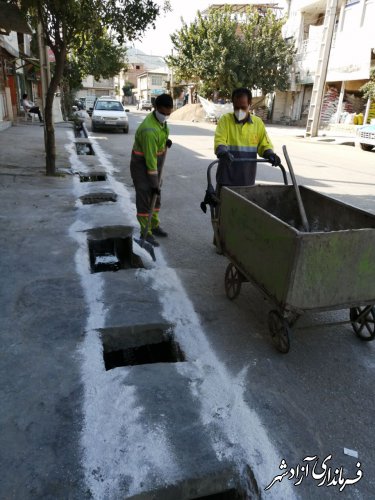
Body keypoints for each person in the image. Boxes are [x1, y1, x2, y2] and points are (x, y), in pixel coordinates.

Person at [130, 93, 173, 247]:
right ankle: (145, 232)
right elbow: (150, 161)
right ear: (156, 108)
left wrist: (165, 141)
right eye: (163, 113)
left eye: (169, 113)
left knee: (156, 198)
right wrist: (154, 183)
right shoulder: (149, 130)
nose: (166, 116)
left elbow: (161, 135)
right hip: (142, 166)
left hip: (155, 165)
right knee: (145, 198)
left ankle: (153, 226)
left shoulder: (160, 122)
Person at [214, 87, 281, 187]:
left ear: (250, 105)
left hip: (247, 179)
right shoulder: (225, 120)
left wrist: (270, 154)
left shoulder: (257, 123)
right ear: (233, 105)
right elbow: (220, 140)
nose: (239, 111)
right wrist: (223, 152)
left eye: (243, 108)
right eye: (236, 108)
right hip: (226, 177)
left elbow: (264, 144)